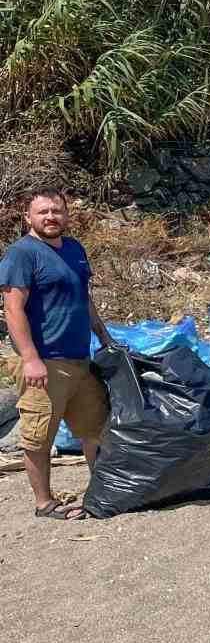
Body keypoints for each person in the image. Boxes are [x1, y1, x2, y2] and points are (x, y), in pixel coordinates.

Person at [1, 189, 113, 520]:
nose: (51, 217)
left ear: (66, 215)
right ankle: (44, 503)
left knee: (96, 430)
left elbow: (84, 299)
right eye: (43, 212)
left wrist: (104, 337)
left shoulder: (74, 249)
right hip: (44, 362)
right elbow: (13, 310)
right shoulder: (22, 254)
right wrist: (31, 357)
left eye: (56, 211)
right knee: (38, 437)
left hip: (80, 359)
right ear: (28, 218)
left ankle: (103, 490)